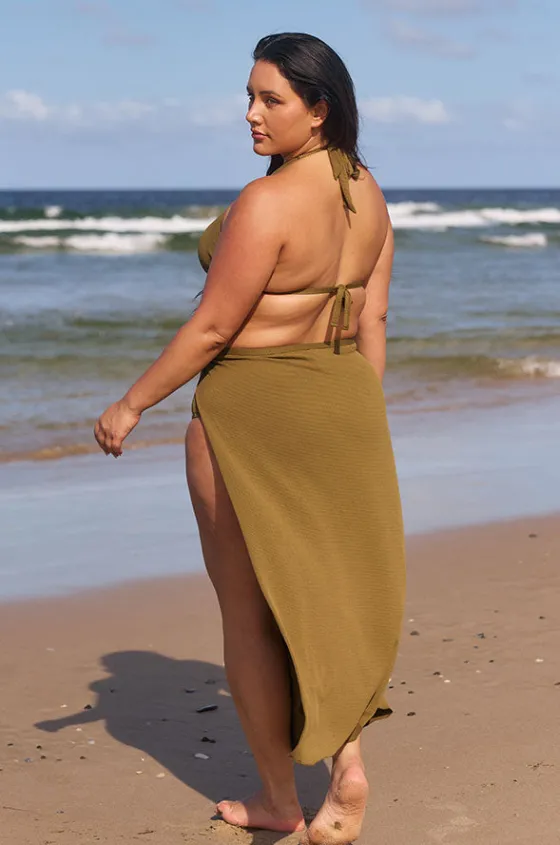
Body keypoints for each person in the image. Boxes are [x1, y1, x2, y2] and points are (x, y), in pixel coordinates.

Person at [94, 32, 405, 845]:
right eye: (250, 96)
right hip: (343, 401)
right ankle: (347, 762)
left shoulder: (266, 203)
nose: (251, 114)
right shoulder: (368, 193)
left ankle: (277, 798)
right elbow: (372, 319)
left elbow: (213, 328)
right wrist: (353, 416)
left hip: (250, 413)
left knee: (248, 608)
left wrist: (131, 404)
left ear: (319, 109)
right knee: (324, 593)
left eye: (271, 99)